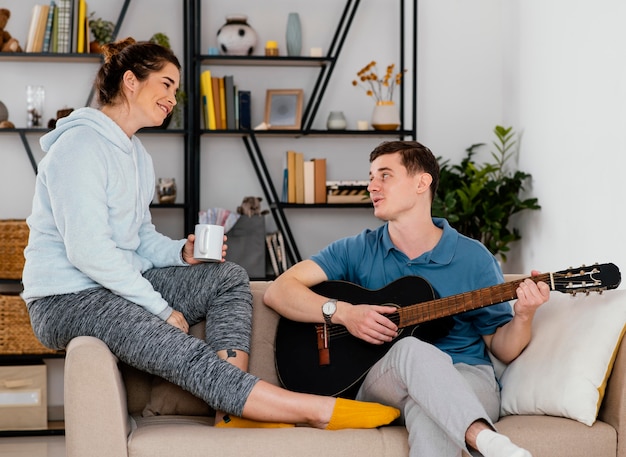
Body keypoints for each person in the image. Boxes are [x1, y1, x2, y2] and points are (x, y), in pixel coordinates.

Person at [21, 37, 401, 431]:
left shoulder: (137, 156)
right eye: (166, 84)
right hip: (67, 297)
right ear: (131, 81)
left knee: (227, 278)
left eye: (176, 89)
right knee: (181, 350)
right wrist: (160, 308)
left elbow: (139, 237)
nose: (172, 97)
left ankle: (230, 413)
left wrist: (179, 253)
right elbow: (88, 251)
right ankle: (316, 411)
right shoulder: (80, 146)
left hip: (114, 282)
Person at [264, 140, 551, 456]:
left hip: (466, 375)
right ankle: (487, 441)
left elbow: (503, 348)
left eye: (384, 175)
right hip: (383, 377)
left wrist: (524, 314)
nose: (372, 186)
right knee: (412, 348)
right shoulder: (356, 249)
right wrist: (344, 313)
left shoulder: (474, 258)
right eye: (371, 177)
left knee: (428, 412)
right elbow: (280, 290)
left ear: (421, 182)